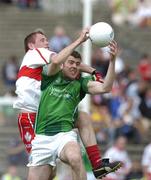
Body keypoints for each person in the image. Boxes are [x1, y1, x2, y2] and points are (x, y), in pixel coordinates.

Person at [13, 30, 121, 179]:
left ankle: (96, 163)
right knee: (49, 173)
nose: (47, 42)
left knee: (82, 118)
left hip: (52, 122)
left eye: (46, 40)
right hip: (31, 118)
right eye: (43, 40)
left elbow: (69, 61)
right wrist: (80, 40)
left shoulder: (60, 70)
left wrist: (97, 69)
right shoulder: (35, 54)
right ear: (32, 45)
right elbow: (59, 60)